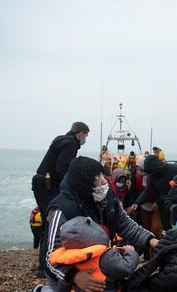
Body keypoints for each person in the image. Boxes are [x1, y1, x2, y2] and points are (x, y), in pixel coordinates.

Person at [41, 156, 157, 292]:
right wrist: (74, 276)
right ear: (84, 183)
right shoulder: (61, 209)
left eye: (102, 174)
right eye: (97, 177)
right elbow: (50, 257)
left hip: (96, 263)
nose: (104, 180)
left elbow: (125, 224)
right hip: (65, 272)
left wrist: (150, 240)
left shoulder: (107, 195)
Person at [32, 121, 89, 277]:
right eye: (86, 135)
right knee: (51, 225)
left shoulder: (61, 140)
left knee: (48, 223)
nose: (85, 139)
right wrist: (71, 187)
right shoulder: (70, 144)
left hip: (42, 184)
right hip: (47, 186)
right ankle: (45, 267)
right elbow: (62, 169)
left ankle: (45, 264)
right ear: (80, 133)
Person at [49, 216, 139, 292]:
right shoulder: (105, 257)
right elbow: (125, 268)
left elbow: (64, 283)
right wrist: (130, 252)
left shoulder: (69, 259)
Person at [129, 155, 177, 234]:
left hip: (176, 206)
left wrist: (157, 201)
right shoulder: (153, 177)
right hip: (164, 207)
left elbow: (170, 192)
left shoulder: (174, 169)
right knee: (165, 229)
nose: (150, 174)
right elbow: (148, 190)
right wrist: (137, 202)